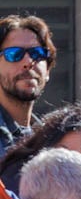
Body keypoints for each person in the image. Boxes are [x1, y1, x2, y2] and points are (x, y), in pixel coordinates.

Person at [0, 15, 55, 149]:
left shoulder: (51, 141)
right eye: (14, 54)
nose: (28, 62)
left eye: (37, 53)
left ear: (47, 71)